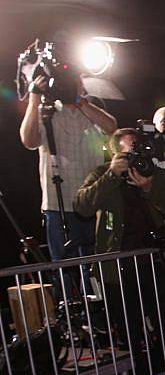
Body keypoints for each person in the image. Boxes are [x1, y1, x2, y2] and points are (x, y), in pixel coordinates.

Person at [74, 127, 165, 375]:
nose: (137, 156)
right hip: (117, 270)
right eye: (129, 152)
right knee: (131, 336)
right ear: (114, 152)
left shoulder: (154, 174)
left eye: (140, 149)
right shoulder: (101, 174)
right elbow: (82, 206)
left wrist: (149, 188)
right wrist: (112, 174)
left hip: (154, 264)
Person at [20, 71, 117, 262]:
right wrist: (34, 100)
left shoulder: (91, 110)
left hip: (92, 200)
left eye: (75, 83)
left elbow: (111, 126)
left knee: (96, 264)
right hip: (58, 204)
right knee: (65, 268)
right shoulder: (46, 111)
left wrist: (79, 100)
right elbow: (28, 141)